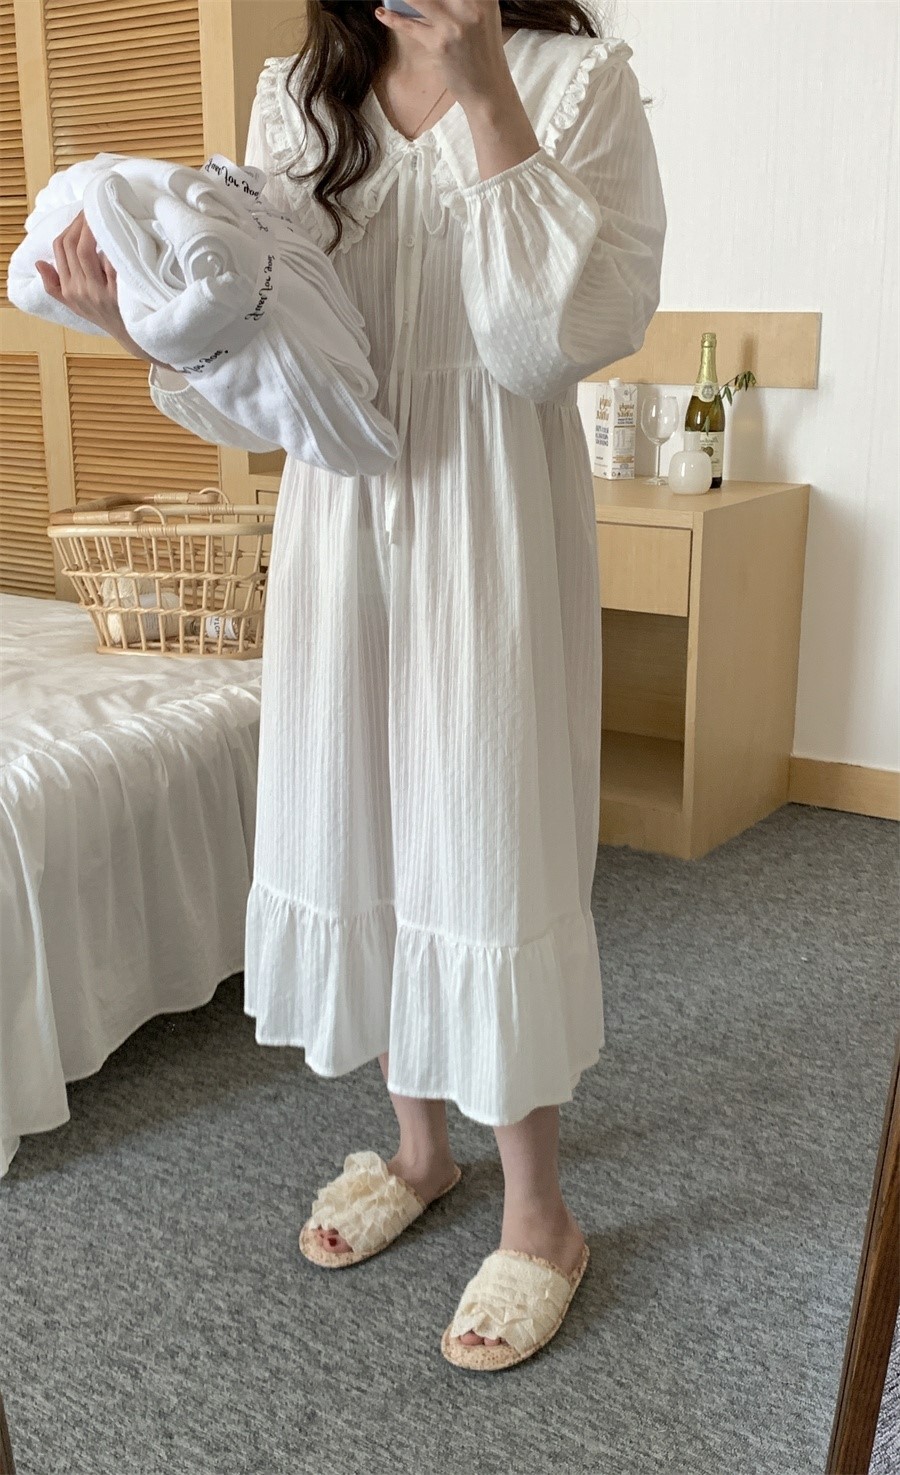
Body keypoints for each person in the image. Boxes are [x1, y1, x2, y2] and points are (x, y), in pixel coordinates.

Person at [38, 0, 665, 1370]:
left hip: (492, 512)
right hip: (341, 510)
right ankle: (420, 1149)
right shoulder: (301, 94)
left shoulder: (578, 82)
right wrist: (148, 327)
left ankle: (543, 1216)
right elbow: (279, 364)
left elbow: (546, 343)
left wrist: (485, 89)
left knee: (488, 837)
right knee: (366, 817)